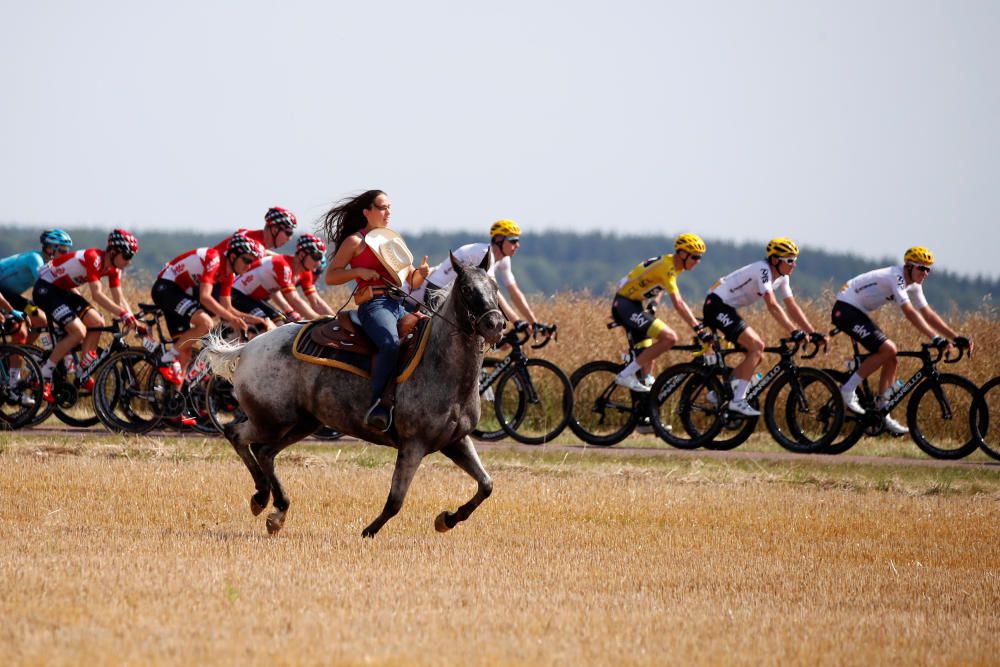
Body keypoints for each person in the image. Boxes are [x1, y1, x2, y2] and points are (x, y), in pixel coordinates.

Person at [830, 246, 972, 435]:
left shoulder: (913, 285)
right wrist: (936, 338)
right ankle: (847, 390)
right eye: (922, 268)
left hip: (858, 312)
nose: (926, 273)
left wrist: (954, 337)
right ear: (909, 266)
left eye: (929, 269)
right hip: (845, 309)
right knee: (888, 349)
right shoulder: (895, 276)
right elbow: (909, 312)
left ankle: (883, 411)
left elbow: (928, 313)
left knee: (892, 357)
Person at [322, 190, 430, 432]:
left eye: (389, 207)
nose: (388, 212)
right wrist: (358, 273)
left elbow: (410, 280)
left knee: (429, 334)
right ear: (367, 212)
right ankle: (378, 406)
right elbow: (331, 276)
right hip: (375, 305)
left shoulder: (392, 239)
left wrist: (420, 274)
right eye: (382, 207)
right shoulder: (355, 242)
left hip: (398, 304)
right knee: (390, 344)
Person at [701, 237, 825, 417]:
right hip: (716, 305)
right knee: (757, 347)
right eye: (789, 260)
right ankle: (737, 401)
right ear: (775, 260)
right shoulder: (763, 270)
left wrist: (811, 332)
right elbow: (772, 305)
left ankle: (720, 392)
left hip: (726, 307)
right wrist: (794, 331)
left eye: (795, 260)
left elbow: (792, 306)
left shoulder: (782, 277)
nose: (794, 265)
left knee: (756, 354)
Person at [31, 229, 143, 403]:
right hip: (46, 289)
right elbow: (97, 294)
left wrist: (132, 318)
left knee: (97, 321)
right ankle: (43, 377)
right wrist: (122, 314)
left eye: (132, 257)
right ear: (113, 252)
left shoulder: (115, 268)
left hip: (63, 291)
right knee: (78, 332)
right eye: (127, 256)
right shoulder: (94, 257)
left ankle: (83, 370)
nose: (129, 262)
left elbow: (119, 298)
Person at [152, 232, 265, 385]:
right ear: (233, 257)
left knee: (185, 353)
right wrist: (233, 319)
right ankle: (165, 360)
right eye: (246, 260)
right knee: (206, 323)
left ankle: (175, 404)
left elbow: (227, 307)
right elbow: (205, 297)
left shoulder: (229, 275)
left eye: (252, 262)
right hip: (166, 287)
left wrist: (254, 319)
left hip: (179, 293)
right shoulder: (214, 259)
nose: (249, 265)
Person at [611, 233, 714, 392]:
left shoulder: (672, 264)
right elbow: (678, 304)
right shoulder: (668, 267)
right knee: (669, 338)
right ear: (682, 254)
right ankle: (625, 375)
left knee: (648, 355)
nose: (698, 262)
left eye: (700, 258)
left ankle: (644, 407)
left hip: (633, 304)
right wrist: (698, 329)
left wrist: (653, 304)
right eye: (695, 257)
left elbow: (660, 284)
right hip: (626, 306)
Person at [411, 219, 536, 325]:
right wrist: (516, 322)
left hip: (448, 294)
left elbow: (514, 292)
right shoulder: (483, 253)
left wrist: (533, 322)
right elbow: (494, 292)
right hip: (431, 291)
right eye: (513, 240)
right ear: (499, 239)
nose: (518, 245)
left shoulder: (504, 260)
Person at [231, 233, 334, 329]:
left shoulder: (306, 273)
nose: (319, 262)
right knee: (266, 326)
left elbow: (316, 301)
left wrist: (335, 319)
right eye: (317, 257)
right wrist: (319, 321)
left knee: (281, 322)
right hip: (236, 293)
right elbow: (294, 300)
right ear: (302, 254)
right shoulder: (283, 265)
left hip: (253, 299)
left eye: (321, 258)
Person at [0, 229, 75, 346]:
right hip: (2, 294)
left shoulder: (49, 263)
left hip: (11, 296)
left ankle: (21, 353)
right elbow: (46, 283)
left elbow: (65, 283)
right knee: (19, 333)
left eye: (67, 251)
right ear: (50, 249)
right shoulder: (34, 259)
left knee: (41, 321)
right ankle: (13, 357)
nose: (66, 255)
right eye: (62, 251)